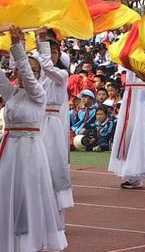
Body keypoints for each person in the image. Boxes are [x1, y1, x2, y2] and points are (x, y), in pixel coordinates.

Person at [0, 25, 67, 252]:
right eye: (24, 69)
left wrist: (18, 44)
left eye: (33, 70)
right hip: (9, 152)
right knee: (8, 196)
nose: (27, 73)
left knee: (27, 197)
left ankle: (29, 244)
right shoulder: (12, 94)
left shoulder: (39, 94)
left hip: (29, 152)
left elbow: (28, 77)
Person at [36, 29, 74, 214]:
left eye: (54, 52)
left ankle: (57, 209)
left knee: (53, 162)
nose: (50, 55)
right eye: (48, 51)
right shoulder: (39, 77)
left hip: (51, 123)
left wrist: (41, 41)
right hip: (37, 122)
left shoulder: (61, 74)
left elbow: (49, 68)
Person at [108, 68, 145, 189]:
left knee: (143, 132)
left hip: (141, 97)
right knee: (129, 134)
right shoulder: (128, 57)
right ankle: (133, 175)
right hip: (129, 96)